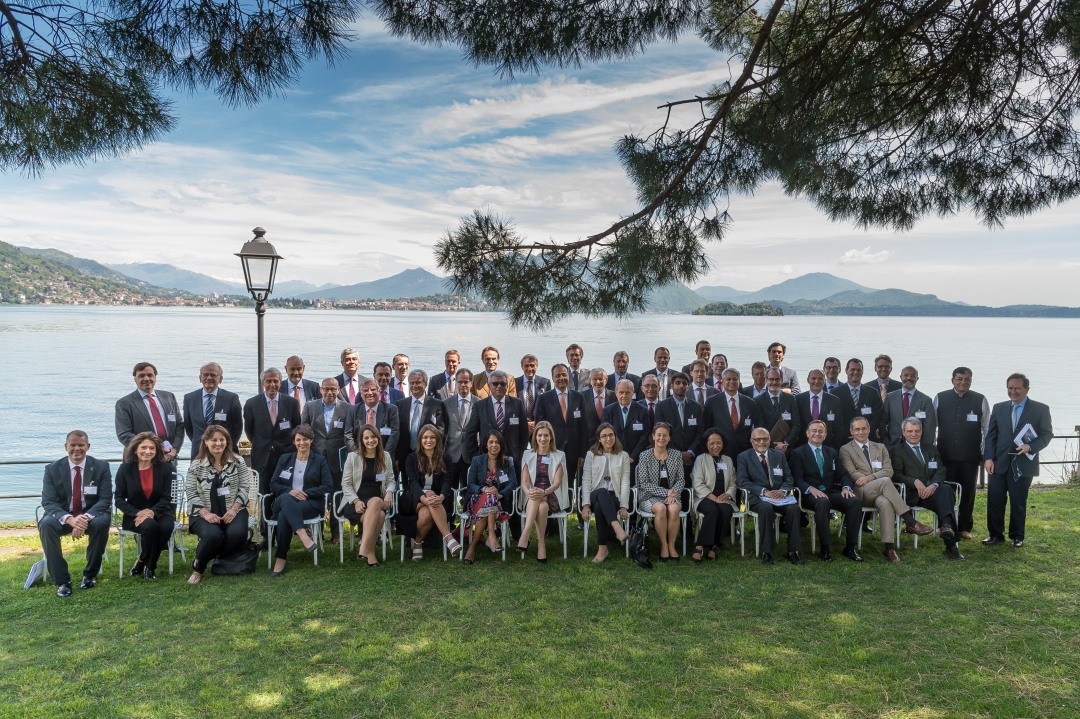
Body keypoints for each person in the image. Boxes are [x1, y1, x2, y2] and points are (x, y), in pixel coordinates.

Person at [839, 417, 932, 564]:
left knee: (886, 502)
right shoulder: (845, 449)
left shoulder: (880, 447)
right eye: (857, 429)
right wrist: (875, 478)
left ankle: (889, 548)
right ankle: (910, 520)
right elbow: (853, 474)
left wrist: (870, 477)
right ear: (851, 431)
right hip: (860, 492)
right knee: (885, 481)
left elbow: (889, 471)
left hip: (880, 491)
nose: (861, 432)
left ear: (869, 429)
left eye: (863, 428)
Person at [983, 373, 1054, 548]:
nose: (1013, 392)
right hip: (998, 463)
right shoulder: (999, 408)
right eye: (1010, 388)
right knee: (995, 501)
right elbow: (991, 436)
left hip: (1023, 465)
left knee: (1018, 502)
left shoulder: (1040, 409)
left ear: (1027, 389)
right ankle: (995, 535)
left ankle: (1017, 536)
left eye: (1017, 388)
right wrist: (988, 458)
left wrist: (1030, 446)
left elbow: (1047, 434)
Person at [38, 431, 112, 597]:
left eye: (81, 445)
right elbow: (48, 501)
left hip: (92, 514)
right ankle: (62, 581)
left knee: (101, 523)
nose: (77, 448)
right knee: (46, 525)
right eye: (73, 445)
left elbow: (105, 499)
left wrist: (83, 518)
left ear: (88, 446)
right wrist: (70, 519)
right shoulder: (52, 469)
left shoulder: (101, 467)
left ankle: (90, 574)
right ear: (66, 447)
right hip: (64, 515)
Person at [789, 420, 864, 562]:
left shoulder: (831, 452)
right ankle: (825, 547)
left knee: (855, 502)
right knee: (823, 502)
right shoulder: (798, 453)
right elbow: (797, 479)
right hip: (809, 495)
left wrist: (846, 487)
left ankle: (850, 547)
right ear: (807, 433)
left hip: (830, 492)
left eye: (820, 431)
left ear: (825, 434)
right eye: (814, 431)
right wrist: (810, 489)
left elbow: (843, 474)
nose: (817, 434)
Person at [185, 425, 251, 584]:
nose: (218, 443)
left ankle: (201, 559)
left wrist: (234, 510)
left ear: (227, 441)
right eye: (214, 440)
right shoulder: (196, 465)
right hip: (202, 513)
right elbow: (191, 491)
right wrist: (206, 514)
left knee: (238, 535)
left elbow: (245, 487)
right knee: (213, 536)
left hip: (234, 510)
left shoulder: (238, 461)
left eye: (222, 439)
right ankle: (198, 570)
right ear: (206, 442)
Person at [243, 367, 301, 547]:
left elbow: (296, 429)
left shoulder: (291, 403)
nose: (272, 384)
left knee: (285, 494)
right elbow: (249, 431)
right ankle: (267, 535)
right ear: (263, 383)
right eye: (268, 381)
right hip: (262, 458)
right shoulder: (251, 404)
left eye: (275, 381)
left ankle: (284, 532)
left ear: (280, 383)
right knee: (265, 496)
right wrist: (263, 445)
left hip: (285, 458)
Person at [890, 418, 964, 560]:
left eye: (917, 431)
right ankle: (950, 542)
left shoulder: (931, 449)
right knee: (946, 503)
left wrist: (934, 485)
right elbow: (896, 475)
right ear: (903, 432)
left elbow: (941, 470)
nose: (913, 434)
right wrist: (915, 482)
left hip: (933, 493)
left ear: (922, 431)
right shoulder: (898, 451)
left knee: (946, 489)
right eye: (909, 431)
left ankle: (947, 531)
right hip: (913, 494)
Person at [934, 367, 990, 540]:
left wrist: (985, 453)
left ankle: (964, 527)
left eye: (967, 379)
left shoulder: (980, 399)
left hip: (970, 456)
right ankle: (944, 525)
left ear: (971, 381)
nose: (963, 382)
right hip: (945, 455)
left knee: (967, 493)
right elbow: (932, 426)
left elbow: (987, 428)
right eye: (959, 379)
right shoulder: (940, 397)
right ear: (952, 380)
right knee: (945, 492)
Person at [268, 424, 332, 575]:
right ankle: (303, 534)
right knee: (286, 498)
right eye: (298, 440)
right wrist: (291, 491)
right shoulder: (285, 459)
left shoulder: (320, 460)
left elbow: (327, 486)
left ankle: (281, 558)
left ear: (311, 440)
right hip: (283, 501)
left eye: (305, 439)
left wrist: (306, 493)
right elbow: (273, 484)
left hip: (309, 503)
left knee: (284, 514)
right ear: (294, 442)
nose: (301, 443)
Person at [737, 428, 803, 565]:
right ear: (751, 441)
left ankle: (793, 551)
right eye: (757, 439)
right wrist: (763, 491)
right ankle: (766, 552)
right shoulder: (743, 457)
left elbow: (789, 478)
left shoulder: (779, 455)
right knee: (766, 508)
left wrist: (783, 491)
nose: (761, 442)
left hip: (779, 497)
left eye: (765, 439)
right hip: (758, 498)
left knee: (794, 509)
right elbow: (742, 481)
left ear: (770, 440)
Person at [114, 432, 175, 580]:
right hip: (134, 515)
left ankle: (144, 561)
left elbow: (167, 498)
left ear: (157, 451)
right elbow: (119, 499)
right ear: (135, 449)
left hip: (160, 512)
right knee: (150, 526)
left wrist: (151, 512)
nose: (148, 451)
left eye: (152, 448)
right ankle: (150, 565)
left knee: (166, 527)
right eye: (144, 447)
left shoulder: (166, 468)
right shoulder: (125, 469)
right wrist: (138, 513)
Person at [533, 363, 589, 521]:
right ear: (552, 378)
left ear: (569, 376)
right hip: (551, 450)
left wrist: (583, 453)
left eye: (564, 375)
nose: (561, 378)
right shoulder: (544, 398)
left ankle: (567, 515)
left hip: (573, 450)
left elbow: (584, 427)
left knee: (570, 483)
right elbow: (539, 427)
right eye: (557, 375)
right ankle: (551, 522)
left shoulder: (579, 397)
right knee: (551, 483)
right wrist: (541, 451)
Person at [301, 378, 352, 543]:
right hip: (316, 458)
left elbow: (349, 433)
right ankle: (317, 531)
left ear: (338, 390)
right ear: (321, 390)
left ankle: (336, 532)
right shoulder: (310, 406)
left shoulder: (347, 408)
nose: (330, 392)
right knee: (316, 495)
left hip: (337, 459)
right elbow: (304, 431)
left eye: (333, 389)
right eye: (326, 389)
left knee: (336, 495)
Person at [399, 424, 461, 559]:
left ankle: (417, 543)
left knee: (426, 513)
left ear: (437, 440)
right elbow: (413, 482)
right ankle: (448, 537)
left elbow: (447, 481)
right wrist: (424, 498)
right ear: (420, 440)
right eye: (425, 437)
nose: (429, 440)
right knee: (429, 493)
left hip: (437, 500)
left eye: (432, 437)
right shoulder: (412, 458)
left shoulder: (445, 458)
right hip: (414, 498)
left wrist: (442, 497)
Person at [338, 424, 396, 567]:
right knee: (380, 516)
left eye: (373, 437)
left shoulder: (385, 456)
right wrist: (356, 501)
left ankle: (363, 547)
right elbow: (345, 484)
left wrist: (389, 492)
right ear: (362, 441)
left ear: (378, 438)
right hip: (355, 503)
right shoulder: (353, 457)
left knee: (376, 501)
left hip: (377, 502)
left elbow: (391, 481)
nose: (370, 440)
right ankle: (369, 552)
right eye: (366, 438)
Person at [462, 429, 518, 564]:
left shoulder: (507, 461)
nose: (494, 445)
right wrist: (484, 489)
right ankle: (492, 536)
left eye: (497, 442)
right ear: (486, 445)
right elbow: (470, 484)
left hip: (499, 501)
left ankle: (472, 548)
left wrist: (501, 494)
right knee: (490, 496)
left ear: (501, 445)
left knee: (491, 498)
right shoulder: (477, 460)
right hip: (476, 499)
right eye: (491, 442)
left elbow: (513, 483)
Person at [516, 421, 567, 562]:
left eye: (546, 435)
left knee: (539, 497)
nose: (543, 439)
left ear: (551, 437)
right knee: (542, 506)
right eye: (539, 435)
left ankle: (525, 534)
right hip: (532, 495)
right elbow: (524, 481)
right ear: (535, 437)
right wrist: (527, 492)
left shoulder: (559, 455)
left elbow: (557, 483)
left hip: (551, 494)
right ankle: (541, 544)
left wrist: (544, 492)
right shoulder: (528, 454)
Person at [580, 422, 630, 563]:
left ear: (615, 436)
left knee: (599, 507)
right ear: (599, 439)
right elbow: (586, 481)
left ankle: (603, 549)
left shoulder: (623, 456)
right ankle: (617, 527)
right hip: (594, 494)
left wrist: (624, 506)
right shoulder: (591, 455)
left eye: (611, 435)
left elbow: (625, 483)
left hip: (614, 497)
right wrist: (585, 505)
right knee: (601, 492)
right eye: (604, 436)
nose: (608, 439)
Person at [115, 361, 183, 461]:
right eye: (141, 376)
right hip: (139, 460)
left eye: (150, 375)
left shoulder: (169, 397)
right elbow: (124, 434)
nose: (146, 379)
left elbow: (179, 426)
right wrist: (151, 449)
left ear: (155, 377)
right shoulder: (124, 403)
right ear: (135, 379)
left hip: (168, 458)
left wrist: (175, 449)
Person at [636, 423, 685, 561]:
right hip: (649, 497)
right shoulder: (644, 455)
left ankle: (671, 545)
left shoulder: (676, 455)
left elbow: (681, 479)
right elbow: (643, 483)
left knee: (674, 509)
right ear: (653, 436)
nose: (661, 438)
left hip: (672, 495)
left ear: (669, 438)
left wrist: (673, 492)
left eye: (665, 435)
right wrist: (666, 493)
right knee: (661, 508)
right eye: (658, 435)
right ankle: (663, 545)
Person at [465, 370, 529, 467]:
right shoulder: (480, 406)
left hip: (512, 460)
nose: (499, 386)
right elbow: (470, 433)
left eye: (503, 384)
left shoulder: (517, 404)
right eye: (495, 383)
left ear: (507, 386)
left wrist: (520, 454)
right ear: (489, 385)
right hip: (487, 460)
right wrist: (476, 455)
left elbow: (524, 432)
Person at [690, 429, 736, 563]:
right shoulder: (701, 459)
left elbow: (733, 481)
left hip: (723, 497)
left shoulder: (728, 460)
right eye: (712, 443)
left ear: (723, 443)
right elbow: (697, 483)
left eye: (718, 442)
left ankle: (713, 546)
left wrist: (727, 495)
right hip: (704, 497)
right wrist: (714, 498)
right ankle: (700, 546)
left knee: (726, 511)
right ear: (706, 444)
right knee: (712, 510)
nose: (715, 446)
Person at [183, 361, 242, 458]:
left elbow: (237, 427)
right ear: (200, 378)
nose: (209, 378)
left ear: (220, 379)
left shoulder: (231, 398)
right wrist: (203, 442)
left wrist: (226, 445)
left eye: (213, 375)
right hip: (198, 453)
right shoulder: (189, 398)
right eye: (205, 375)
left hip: (224, 452)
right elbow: (188, 427)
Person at [703, 368, 762, 462]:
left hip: (744, 453)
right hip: (720, 452)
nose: (732, 382)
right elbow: (706, 427)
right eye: (728, 379)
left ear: (739, 381)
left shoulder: (750, 403)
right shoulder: (712, 402)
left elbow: (756, 427)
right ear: (722, 381)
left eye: (735, 379)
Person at [396, 369, 442, 483]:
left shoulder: (437, 404)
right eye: (412, 383)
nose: (414, 386)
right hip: (405, 454)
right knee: (406, 486)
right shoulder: (400, 404)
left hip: (428, 454)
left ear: (425, 384)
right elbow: (397, 432)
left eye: (418, 382)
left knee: (426, 485)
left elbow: (441, 431)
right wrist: (396, 457)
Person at [654, 372, 704, 476]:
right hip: (669, 457)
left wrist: (690, 452)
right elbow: (660, 433)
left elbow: (700, 433)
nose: (681, 386)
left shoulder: (697, 407)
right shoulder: (661, 406)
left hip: (692, 459)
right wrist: (677, 454)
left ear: (688, 387)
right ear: (671, 386)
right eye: (678, 383)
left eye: (684, 383)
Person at [438, 368, 476, 491]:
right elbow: (442, 429)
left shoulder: (479, 403)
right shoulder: (446, 403)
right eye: (460, 382)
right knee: (449, 489)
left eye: (466, 382)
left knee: (468, 489)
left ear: (471, 382)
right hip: (451, 453)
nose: (463, 385)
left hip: (470, 454)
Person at [881, 366, 936, 447]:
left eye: (913, 376)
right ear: (901, 377)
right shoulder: (890, 397)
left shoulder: (926, 400)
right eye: (906, 375)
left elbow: (930, 428)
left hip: (916, 446)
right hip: (893, 445)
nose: (909, 378)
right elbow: (882, 422)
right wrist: (886, 442)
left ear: (917, 378)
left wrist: (926, 448)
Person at [831, 358, 884, 441]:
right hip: (843, 440)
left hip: (867, 439)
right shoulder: (835, 393)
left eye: (859, 370)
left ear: (862, 372)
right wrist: (850, 433)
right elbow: (835, 418)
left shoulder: (873, 392)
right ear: (846, 370)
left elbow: (877, 417)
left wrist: (863, 433)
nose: (855, 372)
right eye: (852, 369)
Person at [602, 378, 652, 464]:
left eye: (627, 392)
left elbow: (645, 435)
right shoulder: (608, 411)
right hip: (614, 457)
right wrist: (615, 453)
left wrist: (633, 456)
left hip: (636, 459)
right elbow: (605, 434)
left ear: (633, 393)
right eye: (621, 392)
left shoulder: (643, 410)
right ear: (616, 393)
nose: (624, 396)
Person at [347, 378, 400, 456]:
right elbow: (348, 435)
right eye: (365, 390)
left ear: (379, 392)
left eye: (373, 389)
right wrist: (357, 455)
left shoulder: (391, 410)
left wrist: (384, 455)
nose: (369, 393)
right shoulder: (353, 411)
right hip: (359, 455)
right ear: (361, 394)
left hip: (384, 455)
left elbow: (394, 434)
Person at [795, 369, 845, 450]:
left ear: (824, 381)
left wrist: (834, 448)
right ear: (808, 380)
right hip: (802, 448)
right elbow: (796, 424)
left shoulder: (834, 400)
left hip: (827, 448)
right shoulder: (798, 399)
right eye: (813, 378)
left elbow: (839, 428)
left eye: (820, 379)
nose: (816, 381)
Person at [754, 367, 801, 452]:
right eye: (771, 379)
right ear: (766, 381)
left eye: (777, 379)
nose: (774, 382)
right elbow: (759, 427)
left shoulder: (790, 399)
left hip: (788, 447)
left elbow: (796, 424)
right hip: (767, 448)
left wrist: (786, 442)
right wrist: (773, 445)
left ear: (781, 381)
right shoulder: (758, 401)